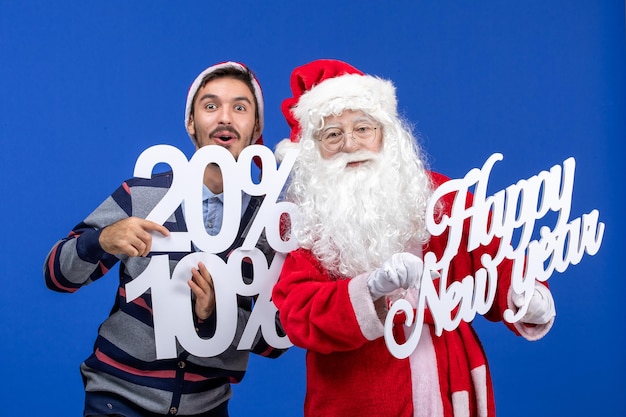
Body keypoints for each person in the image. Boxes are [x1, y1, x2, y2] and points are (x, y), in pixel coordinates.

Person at [272, 59, 556, 417]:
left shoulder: (441, 197)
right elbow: (297, 312)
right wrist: (368, 291)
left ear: (385, 133)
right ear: (314, 150)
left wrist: (524, 293)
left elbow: (493, 261)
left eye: (363, 128)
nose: (350, 144)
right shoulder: (306, 221)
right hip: (357, 397)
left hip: (449, 385)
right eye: (332, 135)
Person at [44, 61, 285, 417]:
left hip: (208, 406)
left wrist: (220, 312)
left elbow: (277, 338)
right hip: (117, 400)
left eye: (240, 107)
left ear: (256, 126)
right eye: (210, 105)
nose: (224, 118)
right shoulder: (142, 196)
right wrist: (101, 240)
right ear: (191, 123)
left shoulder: (269, 222)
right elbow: (56, 276)